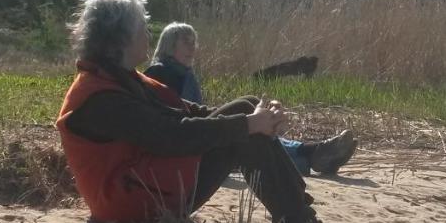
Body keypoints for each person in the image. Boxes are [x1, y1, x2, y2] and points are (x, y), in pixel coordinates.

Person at [55, 0, 361, 223]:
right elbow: (172, 137)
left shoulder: (121, 78)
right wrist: (249, 124)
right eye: (142, 29)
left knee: (247, 105)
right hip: (132, 206)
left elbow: (189, 113)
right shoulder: (100, 99)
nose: (148, 35)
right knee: (245, 131)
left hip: (149, 185)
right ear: (120, 38)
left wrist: (259, 115)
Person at [144, 22, 358, 176]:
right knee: (248, 131)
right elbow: (177, 122)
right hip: (190, 147)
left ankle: (310, 155)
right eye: (186, 42)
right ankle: (312, 153)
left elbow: (196, 110)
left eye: (194, 42)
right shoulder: (161, 73)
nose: (193, 47)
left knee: (251, 124)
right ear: (170, 45)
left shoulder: (182, 73)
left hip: (200, 138)